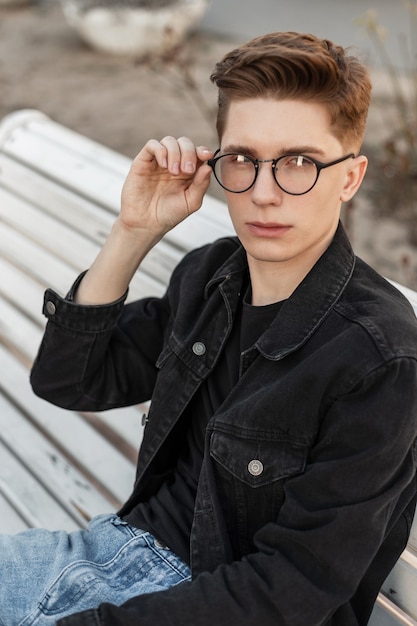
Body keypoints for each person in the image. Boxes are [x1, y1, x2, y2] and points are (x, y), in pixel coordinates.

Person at [4, 30, 417, 626]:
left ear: (350, 178)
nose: (265, 193)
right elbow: (68, 381)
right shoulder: (210, 277)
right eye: (243, 160)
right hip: (109, 554)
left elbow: (292, 588)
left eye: (299, 162)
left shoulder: (378, 359)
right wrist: (133, 231)